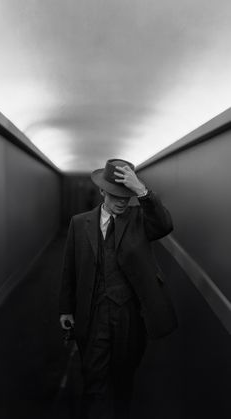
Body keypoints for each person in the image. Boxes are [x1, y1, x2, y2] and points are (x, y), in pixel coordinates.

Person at [59, 158, 178, 419]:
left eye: (127, 195)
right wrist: (66, 309)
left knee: (123, 379)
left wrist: (142, 191)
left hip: (129, 316)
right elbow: (70, 268)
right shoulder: (79, 223)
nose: (122, 201)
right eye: (115, 195)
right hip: (92, 313)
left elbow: (165, 225)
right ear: (102, 191)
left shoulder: (140, 219)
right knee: (93, 379)